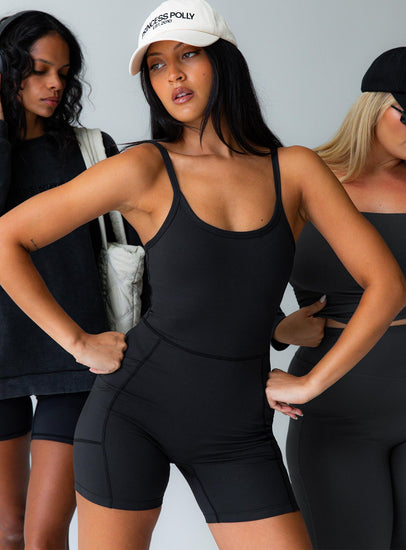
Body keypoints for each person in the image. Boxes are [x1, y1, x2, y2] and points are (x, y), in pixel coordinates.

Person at [0, 2, 405, 548]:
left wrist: (312, 381)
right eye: (157, 65)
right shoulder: (144, 167)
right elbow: (7, 239)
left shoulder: (296, 169)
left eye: (188, 55)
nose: (173, 75)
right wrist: (76, 342)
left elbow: (387, 285)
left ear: (224, 61)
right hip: (130, 414)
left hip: (238, 433)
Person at [270, 47, 406, 549]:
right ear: (374, 106)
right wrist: (275, 328)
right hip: (336, 412)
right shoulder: (304, 179)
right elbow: (232, 282)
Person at [0, 10, 122, 549]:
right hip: (1, 354)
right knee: (7, 532)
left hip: (77, 356)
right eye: (39, 70)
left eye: (64, 73)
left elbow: (154, 244)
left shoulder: (89, 150)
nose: (55, 84)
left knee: (43, 535)